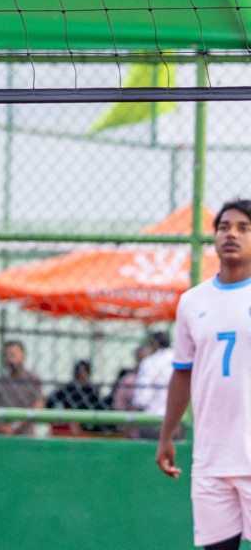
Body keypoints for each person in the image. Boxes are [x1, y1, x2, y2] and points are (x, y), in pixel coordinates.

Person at [157, 200, 251, 550]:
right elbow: (182, 373)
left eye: (244, 228)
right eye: (224, 227)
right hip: (211, 458)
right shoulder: (192, 301)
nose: (232, 234)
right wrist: (167, 435)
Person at [0, 340, 44, 436]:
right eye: (7, 356)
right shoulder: (2, 380)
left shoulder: (32, 379)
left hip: (25, 435)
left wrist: (15, 426)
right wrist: (2, 426)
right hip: (3, 433)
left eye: (13, 355)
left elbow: (38, 406)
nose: (10, 360)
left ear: (23, 356)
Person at [45, 360, 109, 435]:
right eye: (82, 372)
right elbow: (50, 402)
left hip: (86, 423)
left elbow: (98, 407)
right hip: (68, 422)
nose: (84, 375)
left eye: (87, 372)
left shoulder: (92, 390)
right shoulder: (68, 387)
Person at [135, 330, 176, 439]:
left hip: (152, 420)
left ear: (154, 345)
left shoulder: (149, 362)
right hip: (177, 420)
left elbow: (142, 399)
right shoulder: (177, 358)